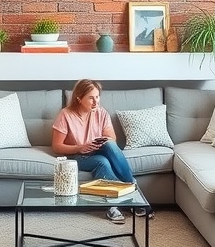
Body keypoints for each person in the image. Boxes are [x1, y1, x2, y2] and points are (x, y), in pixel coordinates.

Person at [51, 78, 153, 223]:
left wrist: (99, 143)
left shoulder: (101, 112)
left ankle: (130, 187)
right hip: (76, 155)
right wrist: (81, 147)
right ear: (79, 98)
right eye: (91, 98)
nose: (96, 102)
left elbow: (112, 138)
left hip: (98, 150)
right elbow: (56, 146)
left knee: (110, 145)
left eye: (97, 97)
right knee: (102, 162)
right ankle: (123, 202)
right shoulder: (66, 115)